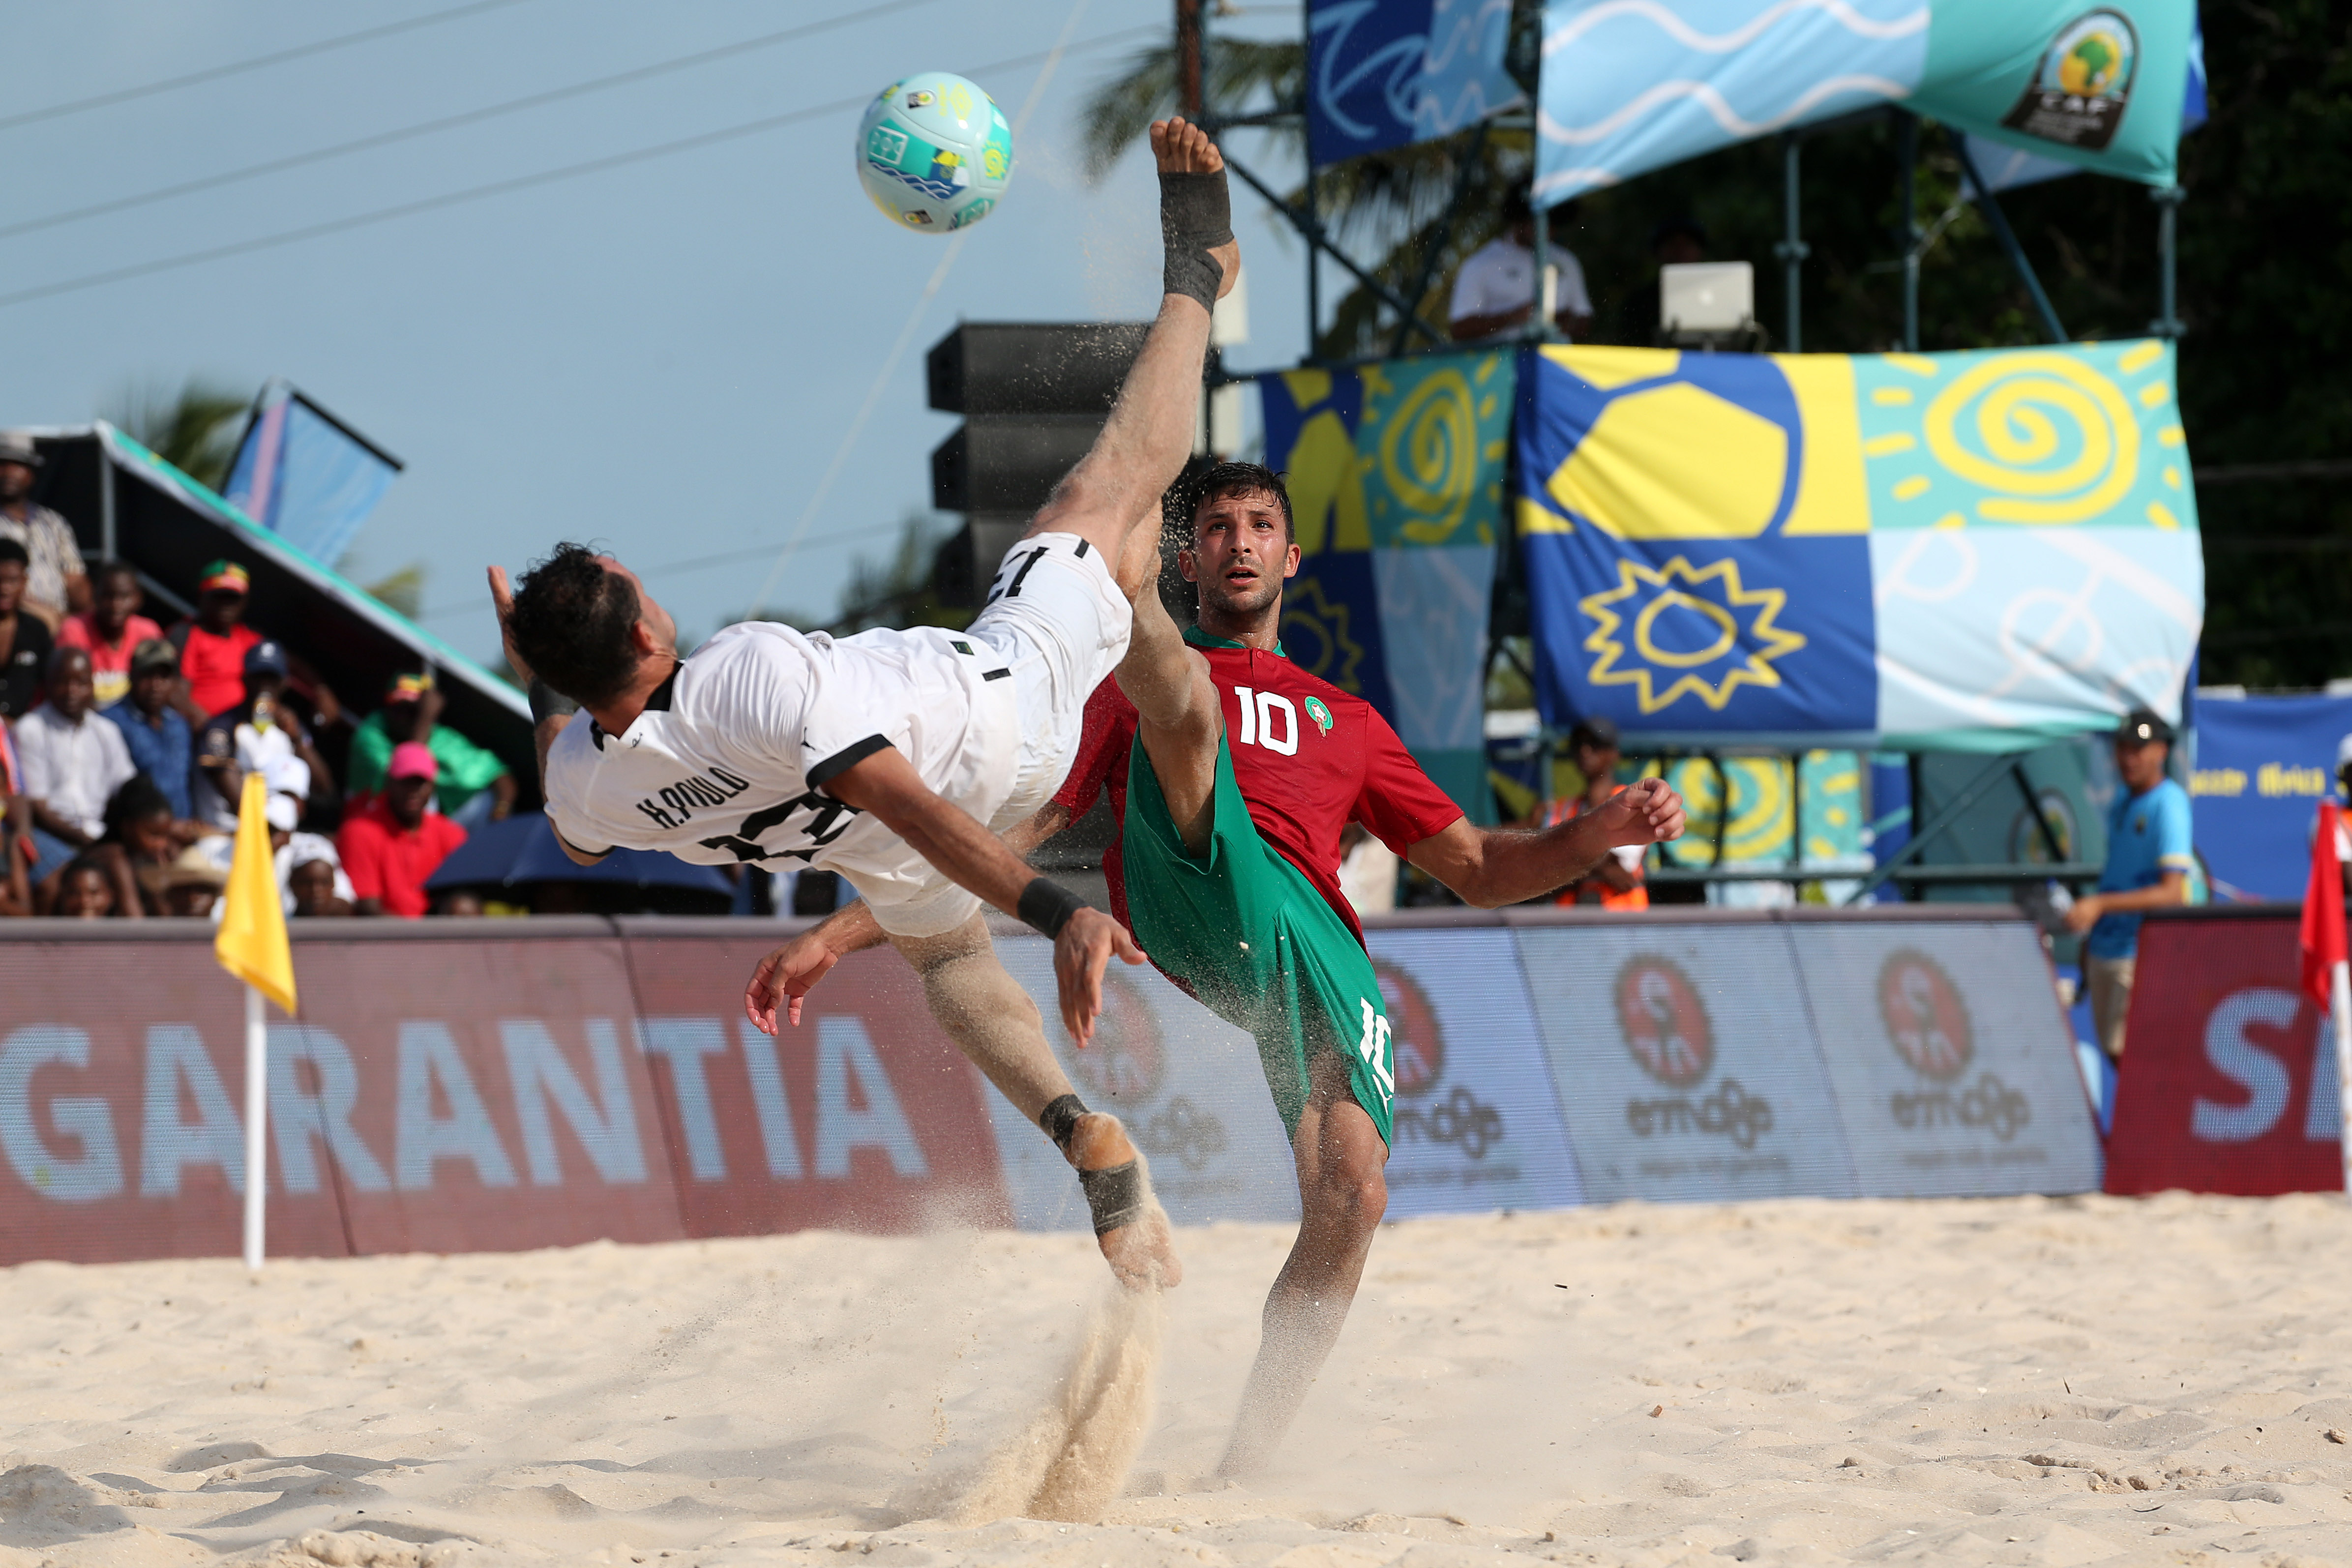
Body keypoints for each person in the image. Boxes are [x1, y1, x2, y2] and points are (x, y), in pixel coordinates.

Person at [762, 459, 1687, 1473]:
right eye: (1213, 526)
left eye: (1258, 526)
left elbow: (1477, 869)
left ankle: (1251, 1457)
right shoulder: (1137, 691)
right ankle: (1128, 601)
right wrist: (846, 932)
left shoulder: (1352, 723)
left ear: (1291, 558)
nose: (1238, 541)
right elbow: (1017, 834)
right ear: (1189, 561)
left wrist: (1595, 832)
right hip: (1189, 887)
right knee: (1188, 712)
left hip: (1307, 952)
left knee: (1354, 1193)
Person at [507, 119, 1241, 1293]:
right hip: (994, 725)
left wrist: (531, 669)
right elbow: (902, 793)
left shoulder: (593, 785)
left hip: (879, 840)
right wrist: (1061, 915)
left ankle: (1079, 1130)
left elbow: (569, 797)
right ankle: (1200, 277)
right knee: (1103, 489)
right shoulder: (740, 670)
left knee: (945, 959)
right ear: (647, 629)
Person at [2065, 709, 2194, 1062]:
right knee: (2117, 1056)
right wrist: (2092, 934)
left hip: (2141, 953)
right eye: (2122, 748)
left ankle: (2156, 1120)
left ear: (2161, 751)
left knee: (2139, 1061)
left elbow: (2173, 893)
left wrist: (2100, 905)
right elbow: (2118, 876)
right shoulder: (2123, 802)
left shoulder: (2168, 803)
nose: (2127, 757)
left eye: (2138, 748)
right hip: (2106, 950)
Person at [15, 647, 137, 885]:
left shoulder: (106, 731)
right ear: (48, 685)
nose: (72, 691)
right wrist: (86, 841)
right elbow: (37, 806)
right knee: (64, 880)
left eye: (80, 683)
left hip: (98, 833)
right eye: (62, 682)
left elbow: (126, 789)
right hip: (50, 834)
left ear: (92, 685)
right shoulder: (31, 729)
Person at [194, 640, 335, 830]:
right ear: (245, 679)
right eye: (258, 677)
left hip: (277, 831)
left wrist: (298, 739)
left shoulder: (291, 728)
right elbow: (239, 802)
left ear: (285, 684)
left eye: (272, 679)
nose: (264, 686)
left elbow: (324, 789)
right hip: (229, 832)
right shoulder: (222, 727)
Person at [346, 671, 515, 827]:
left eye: (412, 711)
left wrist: (500, 811)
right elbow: (403, 772)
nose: (403, 717)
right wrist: (426, 719)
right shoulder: (371, 732)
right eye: (398, 708)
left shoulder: (439, 736)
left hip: (447, 825)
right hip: (371, 822)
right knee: (420, 795)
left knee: (483, 801)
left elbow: (500, 775)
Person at [1523, 715, 1649, 910]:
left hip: (1624, 924)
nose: (1585, 751)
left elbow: (1618, 871)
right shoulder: (1563, 807)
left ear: (1614, 753)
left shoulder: (1631, 802)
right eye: (1578, 744)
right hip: (1571, 928)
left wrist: (1564, 855)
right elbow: (1545, 869)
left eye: (1595, 744)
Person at [337, 742, 466, 917]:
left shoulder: (452, 833)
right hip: (385, 938)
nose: (413, 791)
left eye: (420, 783)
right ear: (389, 781)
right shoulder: (359, 830)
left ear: (432, 786)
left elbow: (462, 894)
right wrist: (418, 939)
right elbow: (367, 907)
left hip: (438, 933)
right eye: (405, 782)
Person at [1449, 190, 1594, 342]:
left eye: (1553, 222)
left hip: (1554, 361)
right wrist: (1513, 317)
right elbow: (1460, 329)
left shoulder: (1566, 261)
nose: (1547, 229)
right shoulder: (1481, 263)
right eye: (1538, 220)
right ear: (1519, 218)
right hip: (1502, 362)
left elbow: (1584, 322)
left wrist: (1558, 320)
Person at [0, 432, 88, 631]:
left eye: (18, 465)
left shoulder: (53, 522)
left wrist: (87, 621)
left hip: (58, 621)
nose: (9, 472)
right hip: (12, 621)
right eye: (3, 464)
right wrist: (43, 613)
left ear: (31, 473)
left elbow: (75, 579)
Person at [104, 638, 198, 820]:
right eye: (148, 675)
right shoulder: (110, 723)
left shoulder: (179, 724)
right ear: (131, 676)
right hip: (136, 831)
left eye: (164, 677)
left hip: (183, 828)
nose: (156, 685)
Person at [59, 561, 164, 709]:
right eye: (108, 596)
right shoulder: (73, 630)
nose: (116, 605)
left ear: (139, 599)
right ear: (94, 596)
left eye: (125, 597)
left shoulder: (149, 632)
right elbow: (65, 690)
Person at [169, 561, 265, 719]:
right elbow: (177, 695)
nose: (226, 605)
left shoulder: (248, 637)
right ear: (202, 596)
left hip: (243, 728)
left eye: (233, 598)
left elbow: (289, 667)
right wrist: (214, 729)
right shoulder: (185, 633)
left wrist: (320, 689)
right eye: (219, 597)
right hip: (204, 731)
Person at [0, 537, 53, 722]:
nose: (4, 589)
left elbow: (49, 686)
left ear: (24, 581)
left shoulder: (37, 631)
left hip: (29, 733)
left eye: (12, 581)